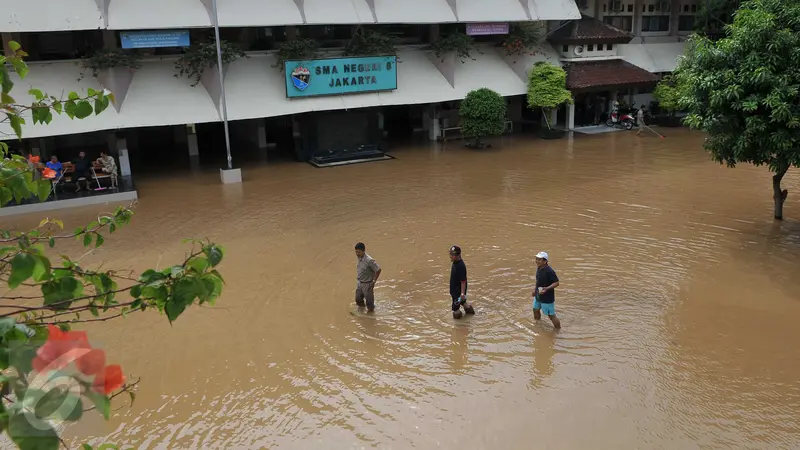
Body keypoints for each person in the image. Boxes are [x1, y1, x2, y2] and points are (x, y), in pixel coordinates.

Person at [532, 251, 561, 329]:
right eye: (536, 259)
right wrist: (535, 290)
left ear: (545, 261)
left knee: (551, 315)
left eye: (539, 259)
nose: (537, 261)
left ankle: (558, 330)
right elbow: (538, 280)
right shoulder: (539, 268)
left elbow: (557, 283)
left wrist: (547, 288)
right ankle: (537, 324)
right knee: (535, 309)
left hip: (547, 297)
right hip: (538, 294)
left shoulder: (549, 271)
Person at [449, 245, 475, 319]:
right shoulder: (456, 262)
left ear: (458, 255)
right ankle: (471, 316)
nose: (451, 256)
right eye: (450, 254)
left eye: (453, 254)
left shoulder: (460, 266)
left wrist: (462, 294)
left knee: (456, 309)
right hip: (458, 291)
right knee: (463, 303)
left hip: (458, 292)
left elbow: (463, 281)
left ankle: (459, 326)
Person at [354, 242, 381, 312]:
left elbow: (378, 270)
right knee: (358, 299)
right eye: (356, 252)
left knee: (370, 304)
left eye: (359, 252)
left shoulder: (369, 260)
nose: (357, 254)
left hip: (367, 284)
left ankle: (371, 315)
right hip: (360, 283)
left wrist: (374, 281)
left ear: (363, 251)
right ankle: (361, 311)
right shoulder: (359, 257)